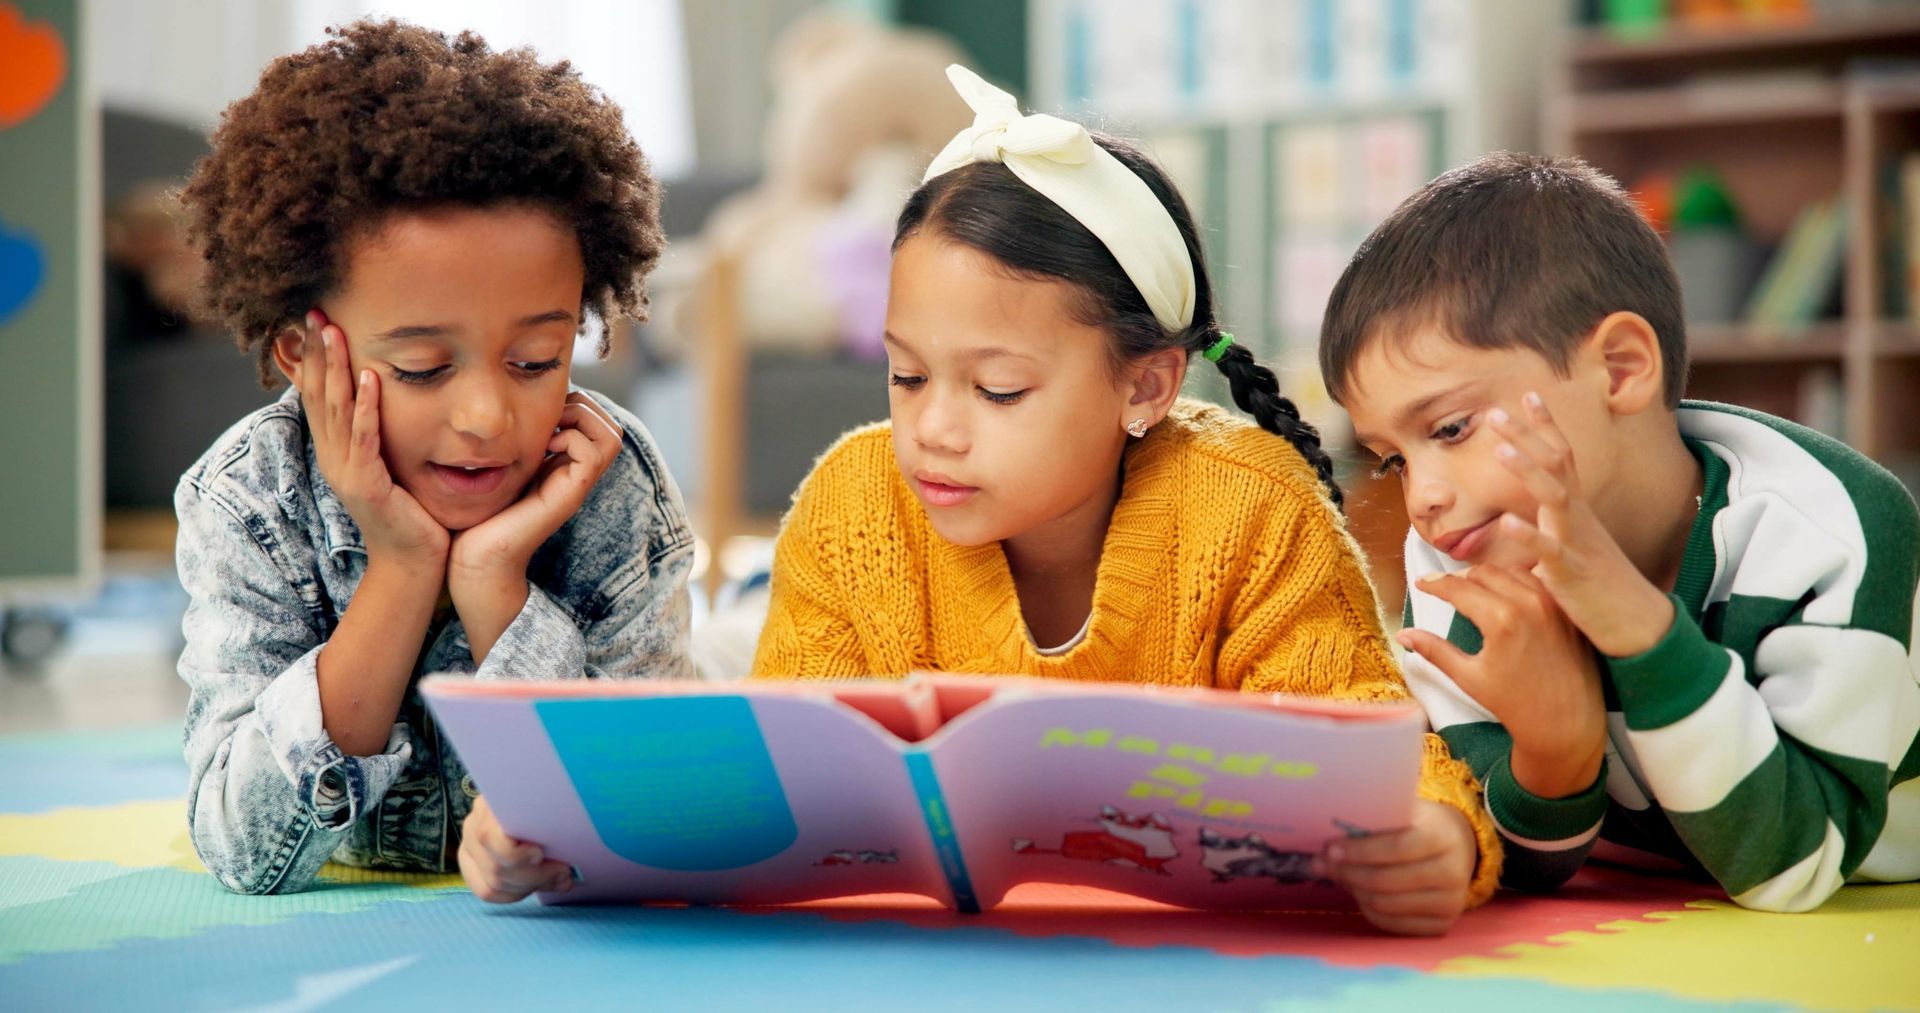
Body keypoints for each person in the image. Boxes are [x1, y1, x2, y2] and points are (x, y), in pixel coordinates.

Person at [745, 66, 1503, 936]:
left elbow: (1368, 730)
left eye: (996, 389)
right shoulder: (854, 503)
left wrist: (1434, 835)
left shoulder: (1251, 507)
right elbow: (784, 766)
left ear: (1146, 386)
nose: (933, 429)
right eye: (907, 374)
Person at [1319, 151, 1920, 912]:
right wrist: (1554, 752)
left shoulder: (1829, 529)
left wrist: (1635, 623)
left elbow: (1796, 862)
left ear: (1621, 368)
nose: (1425, 499)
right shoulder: (1459, 551)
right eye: (1394, 460)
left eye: (1451, 426)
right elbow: (1512, 854)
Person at [174, 20, 693, 896]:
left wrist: (495, 582)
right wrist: (403, 567)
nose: (490, 416)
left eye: (537, 361)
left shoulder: (604, 476)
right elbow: (245, 848)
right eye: (422, 368)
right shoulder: (247, 501)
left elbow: (652, 812)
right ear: (303, 353)